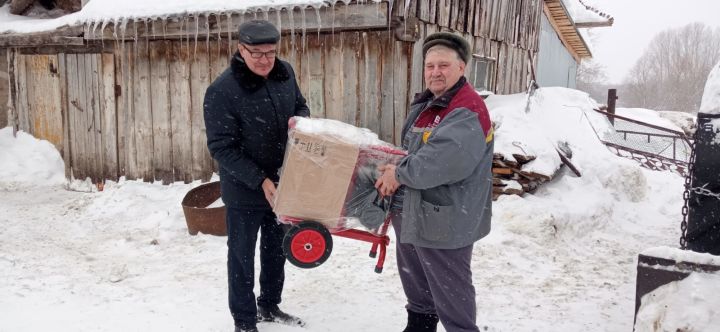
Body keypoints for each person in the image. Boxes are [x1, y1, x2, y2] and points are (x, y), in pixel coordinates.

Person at [375, 32, 494, 332]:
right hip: (416, 210)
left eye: (444, 65)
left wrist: (398, 173)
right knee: (415, 278)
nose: (435, 72)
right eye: (430, 66)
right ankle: (420, 326)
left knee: (450, 288)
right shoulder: (429, 103)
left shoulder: (467, 108)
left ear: (462, 68)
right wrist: (393, 165)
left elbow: (442, 161)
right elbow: (414, 150)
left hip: (446, 217)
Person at [203, 20, 310, 332]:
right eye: (257, 54)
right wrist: (259, 179)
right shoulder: (222, 91)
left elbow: (301, 107)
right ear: (241, 50)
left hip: (283, 181)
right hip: (245, 189)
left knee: (277, 248)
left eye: (271, 53)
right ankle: (245, 320)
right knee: (241, 256)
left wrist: (300, 125)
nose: (265, 60)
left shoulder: (284, 72)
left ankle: (269, 304)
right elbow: (221, 147)